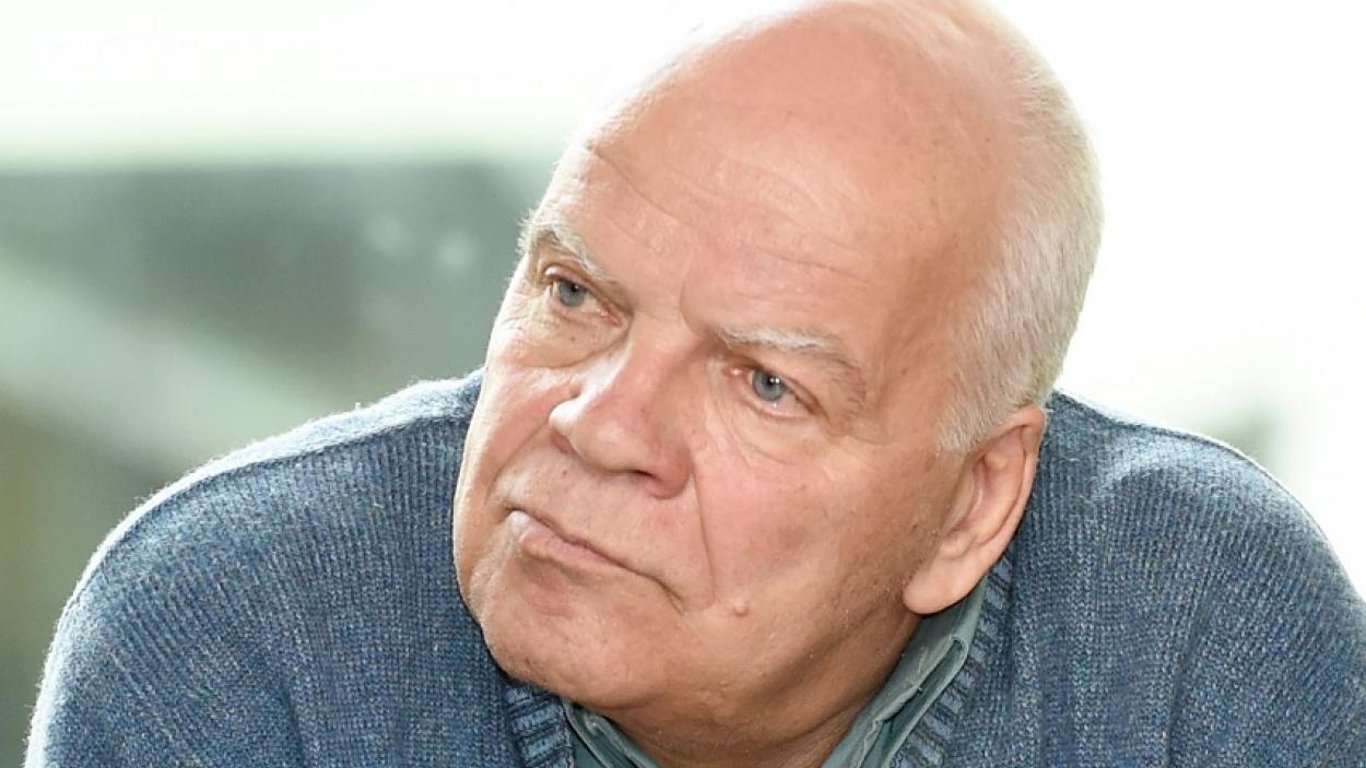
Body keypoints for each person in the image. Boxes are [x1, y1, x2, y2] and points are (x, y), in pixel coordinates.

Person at [26, 0, 1366, 765]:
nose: (596, 422)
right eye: (575, 296)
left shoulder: (1203, 633)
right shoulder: (233, 628)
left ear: (972, 507)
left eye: (763, 386)